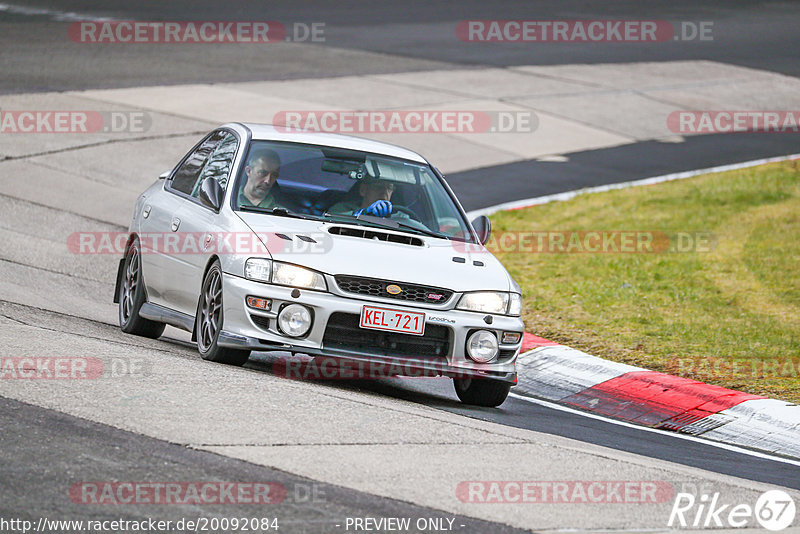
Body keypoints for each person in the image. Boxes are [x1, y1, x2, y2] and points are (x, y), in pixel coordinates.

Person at [327, 177, 397, 218]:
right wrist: (363, 213)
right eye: (378, 186)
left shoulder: (399, 216)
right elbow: (333, 219)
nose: (385, 191)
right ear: (363, 190)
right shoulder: (342, 208)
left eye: (389, 188)